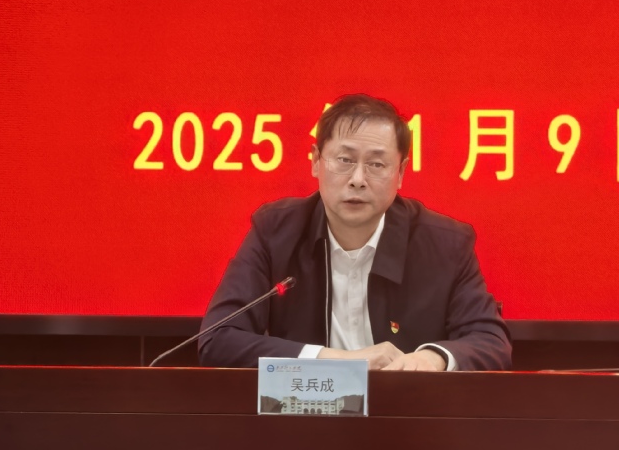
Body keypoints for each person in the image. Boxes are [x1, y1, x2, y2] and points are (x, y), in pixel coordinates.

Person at [198, 94, 511, 371]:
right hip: (305, 411)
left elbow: (491, 341)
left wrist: (433, 358)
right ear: (316, 161)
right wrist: (335, 360)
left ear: (401, 172)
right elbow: (218, 338)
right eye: (345, 160)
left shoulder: (445, 243)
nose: (358, 179)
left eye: (377, 164)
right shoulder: (276, 231)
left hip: (407, 413)